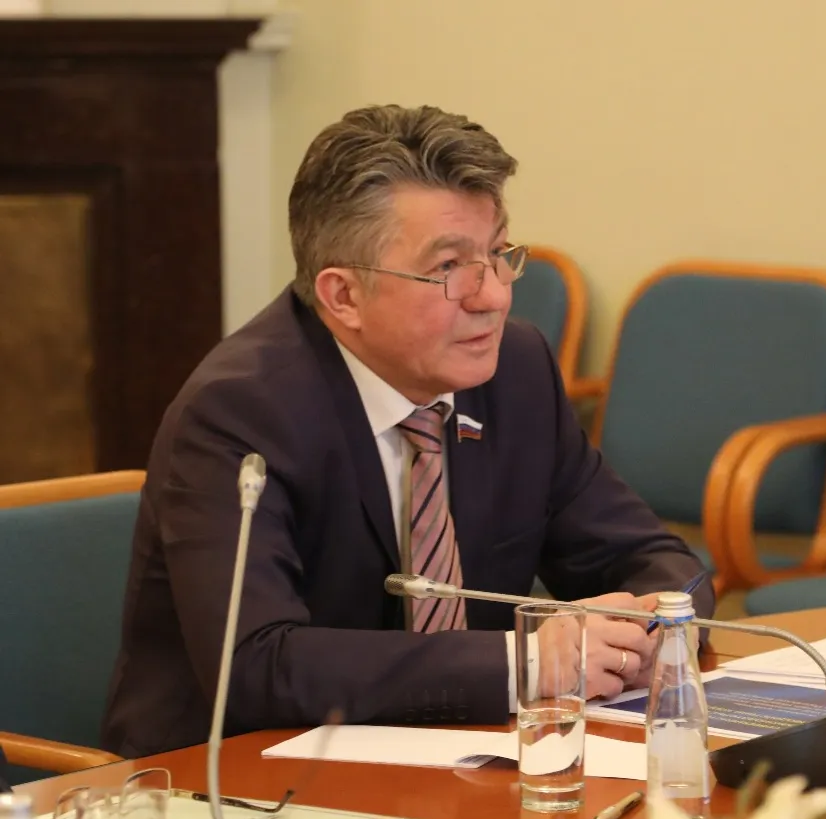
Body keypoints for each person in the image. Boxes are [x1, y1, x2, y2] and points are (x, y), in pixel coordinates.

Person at [100, 104, 713, 758]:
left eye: (498, 254)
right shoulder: (238, 413)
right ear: (343, 295)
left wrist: (656, 628)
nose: (494, 295)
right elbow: (257, 666)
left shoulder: (516, 370)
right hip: (234, 780)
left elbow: (653, 557)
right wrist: (530, 663)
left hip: (465, 762)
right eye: (449, 267)